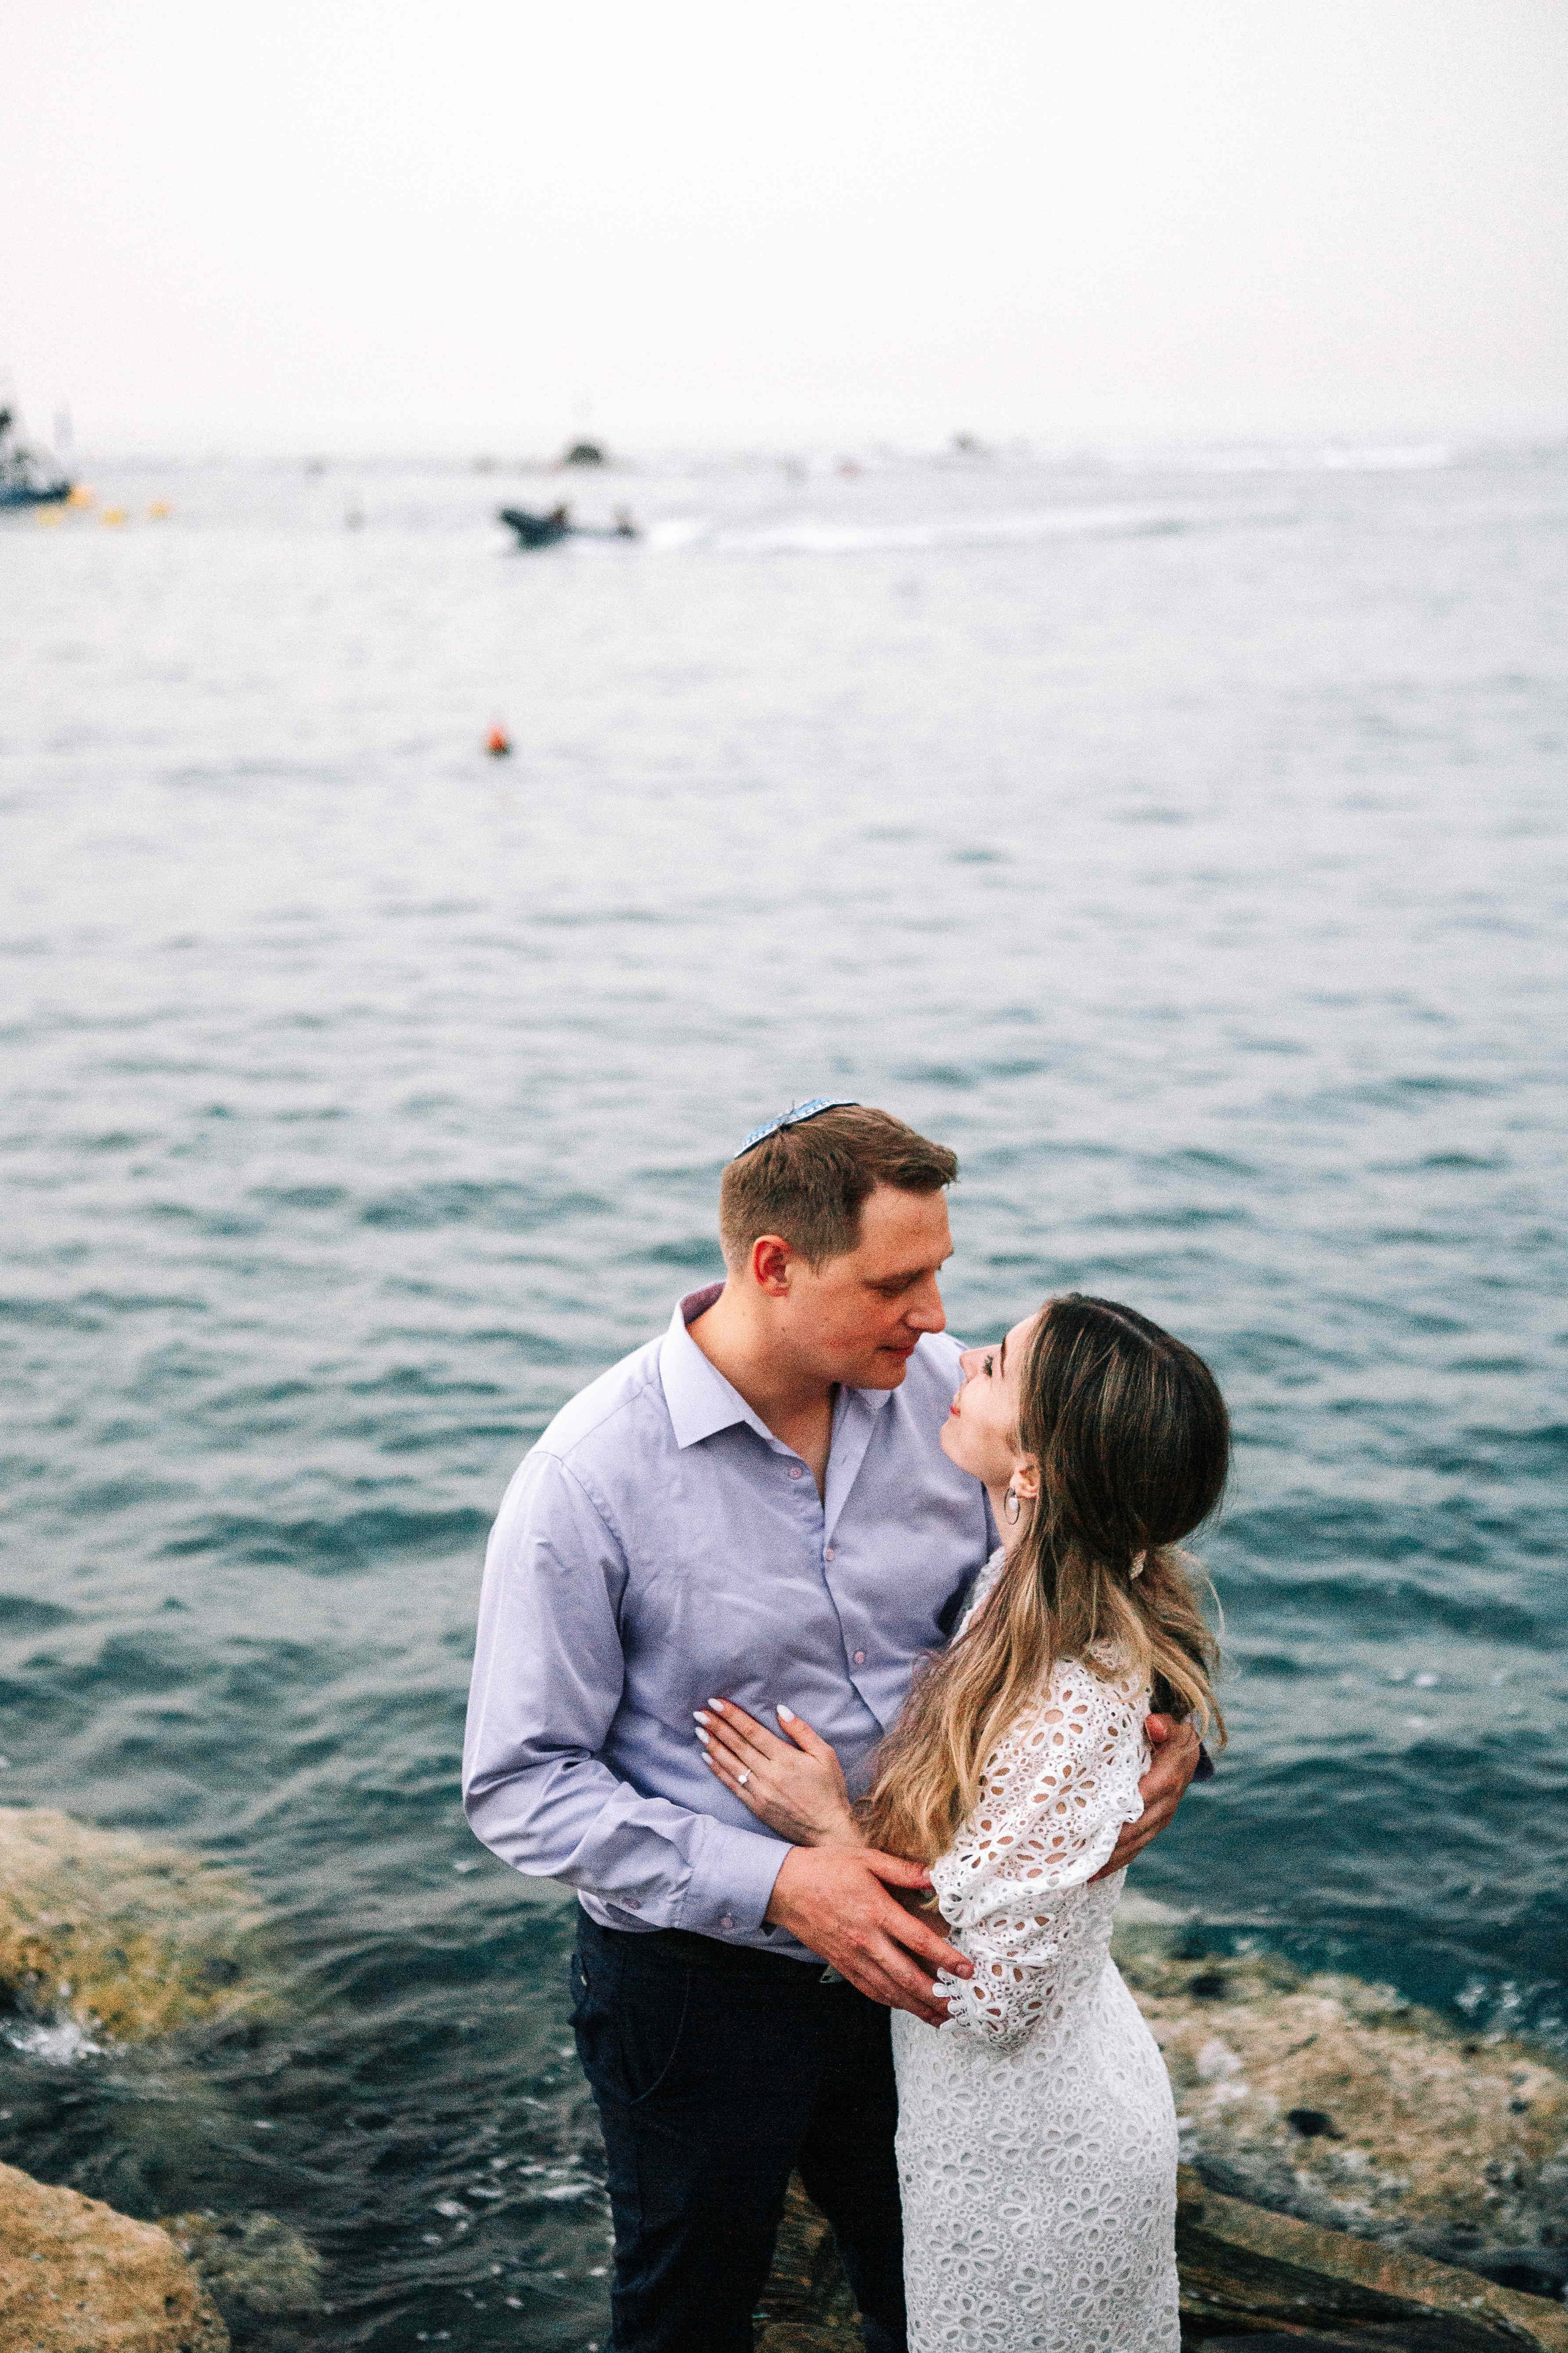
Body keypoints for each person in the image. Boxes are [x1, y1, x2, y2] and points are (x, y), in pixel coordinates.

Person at [462, 1104, 1208, 2353]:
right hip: (701, 1991)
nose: (934, 1315)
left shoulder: (955, 1399)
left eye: (938, 1273)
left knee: (921, 2294)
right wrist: (782, 1880)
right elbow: (520, 1784)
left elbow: (1098, 1555)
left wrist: (1165, 1729)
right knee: (687, 2308)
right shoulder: (587, 1480)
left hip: (925, 1972)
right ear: (774, 1265)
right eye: (894, 1283)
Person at [698, 1293, 1229, 2353]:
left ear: (1036, 1469)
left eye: (995, 1366)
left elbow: (991, 1998)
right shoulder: (1024, 1581)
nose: (961, 1356)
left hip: (1039, 2160)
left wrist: (831, 1834)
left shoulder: (1073, 1694)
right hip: (989, 2131)